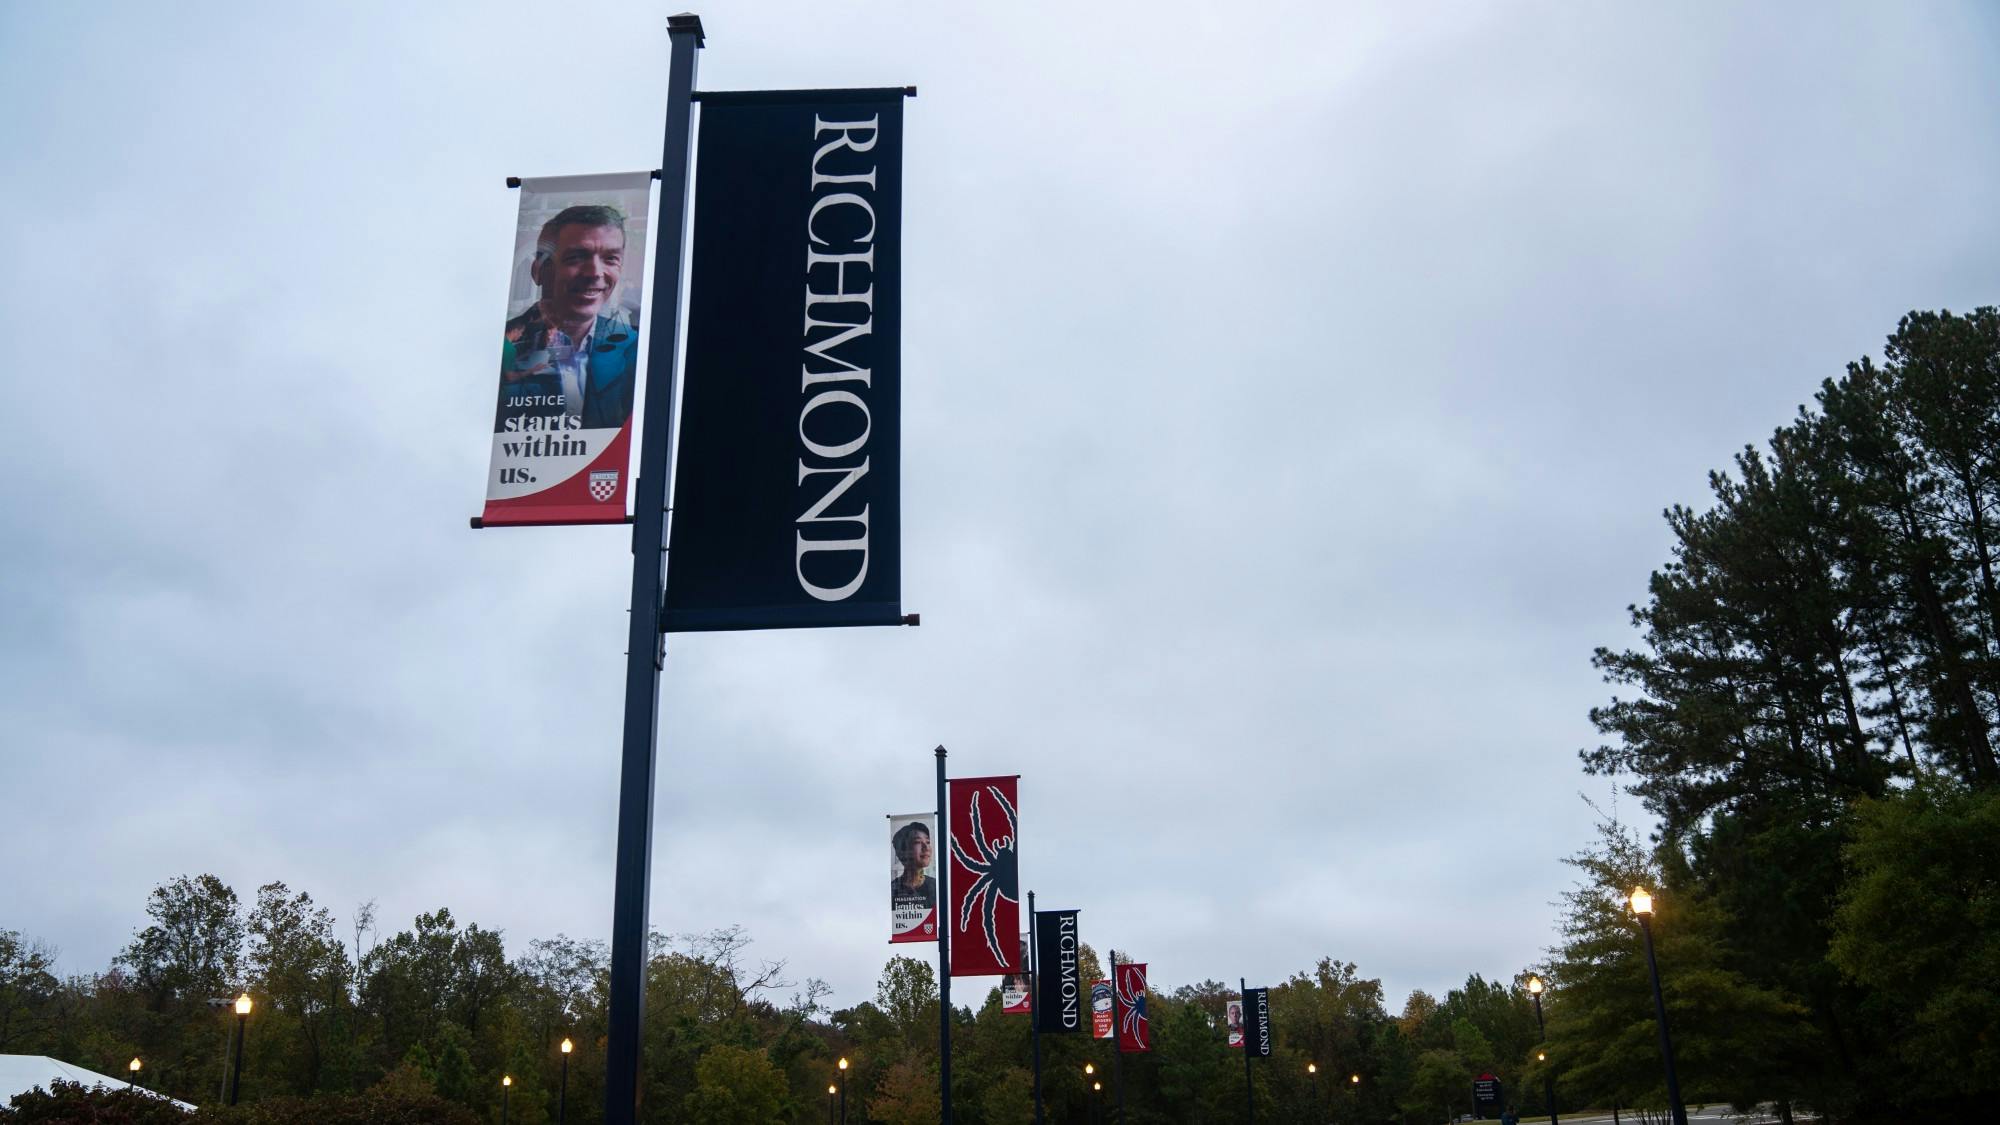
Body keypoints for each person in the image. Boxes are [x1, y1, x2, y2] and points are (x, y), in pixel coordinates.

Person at [495, 203, 640, 430]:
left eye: (610, 259)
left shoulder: (636, 348)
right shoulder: (500, 345)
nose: (594, 272)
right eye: (576, 257)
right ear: (538, 271)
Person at [891, 821, 936, 911]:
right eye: (918, 842)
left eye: (927, 842)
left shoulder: (935, 886)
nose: (926, 847)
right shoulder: (893, 889)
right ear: (902, 851)